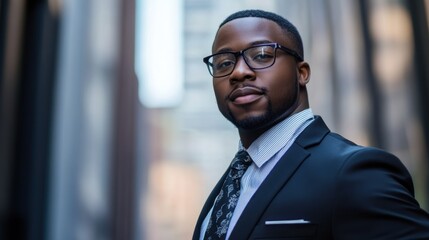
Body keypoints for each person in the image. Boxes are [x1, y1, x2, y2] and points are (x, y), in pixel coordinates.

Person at [192, 9, 429, 240]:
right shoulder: (229, 186)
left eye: (262, 55)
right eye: (224, 63)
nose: (239, 72)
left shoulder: (352, 172)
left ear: (302, 73)